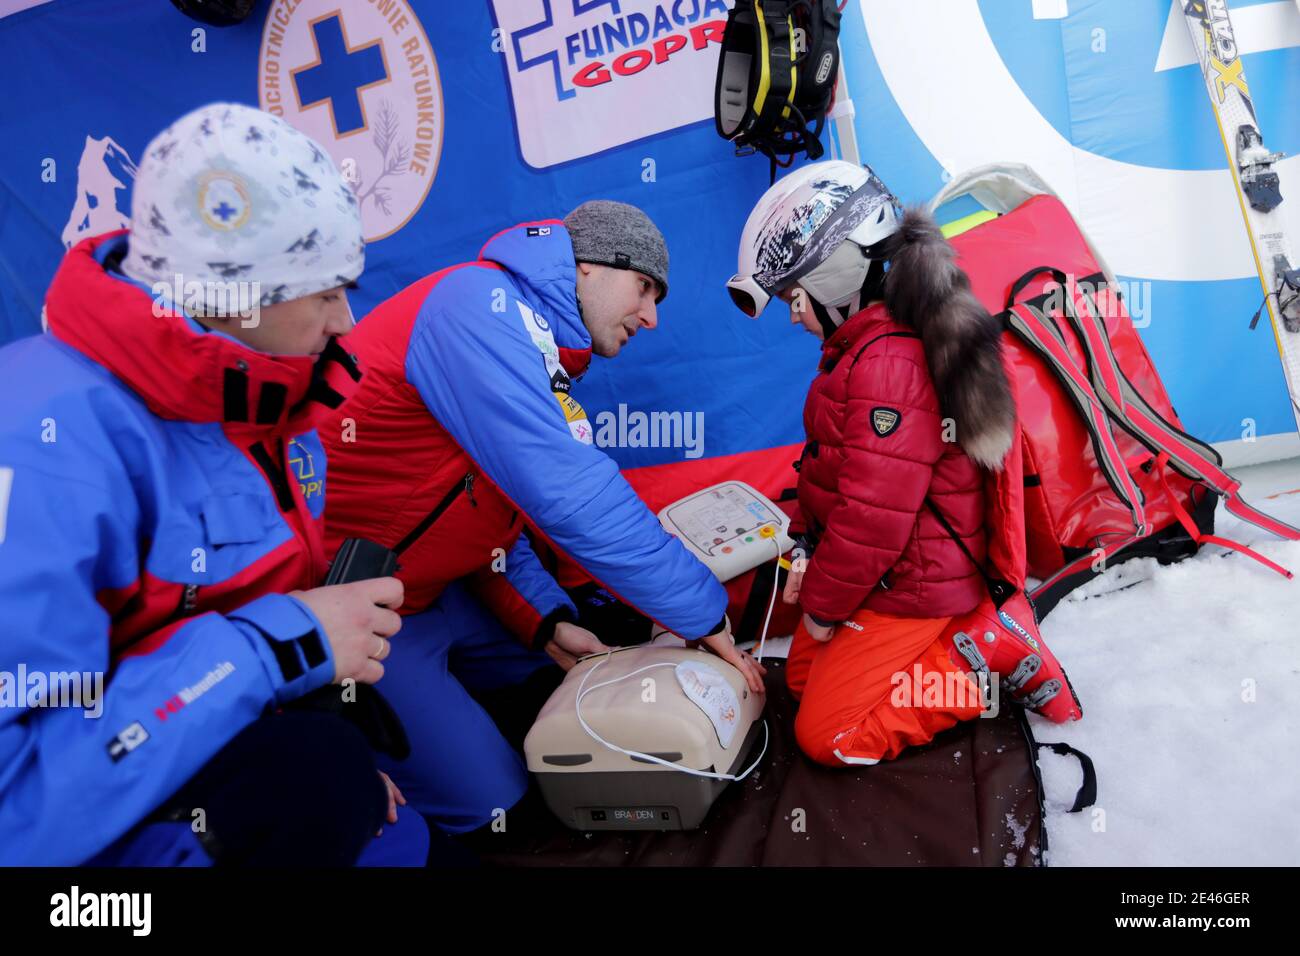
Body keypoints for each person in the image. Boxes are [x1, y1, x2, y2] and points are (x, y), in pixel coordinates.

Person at [0, 103, 425, 865]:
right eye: (327, 292)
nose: (348, 324)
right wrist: (281, 652)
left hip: (192, 753)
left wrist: (302, 698)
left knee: (389, 822)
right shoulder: (34, 448)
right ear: (239, 293)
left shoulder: (272, 404)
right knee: (319, 782)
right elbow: (12, 804)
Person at [319, 200, 766, 835]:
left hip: (431, 590)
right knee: (496, 804)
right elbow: (571, 495)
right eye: (644, 287)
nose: (652, 317)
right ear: (589, 268)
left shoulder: (527, 339)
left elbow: (493, 512)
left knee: (571, 678)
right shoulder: (475, 306)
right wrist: (702, 612)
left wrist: (544, 618)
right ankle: (324, 732)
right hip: (352, 607)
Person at [726, 160, 1017, 766]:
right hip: (885, 576)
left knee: (827, 736)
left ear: (836, 280)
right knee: (804, 681)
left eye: (795, 298)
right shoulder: (862, 350)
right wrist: (807, 550)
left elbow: (872, 519)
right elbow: (841, 478)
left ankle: (982, 657)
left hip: (914, 585)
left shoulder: (887, 363)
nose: (794, 316)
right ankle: (925, 648)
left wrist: (828, 607)